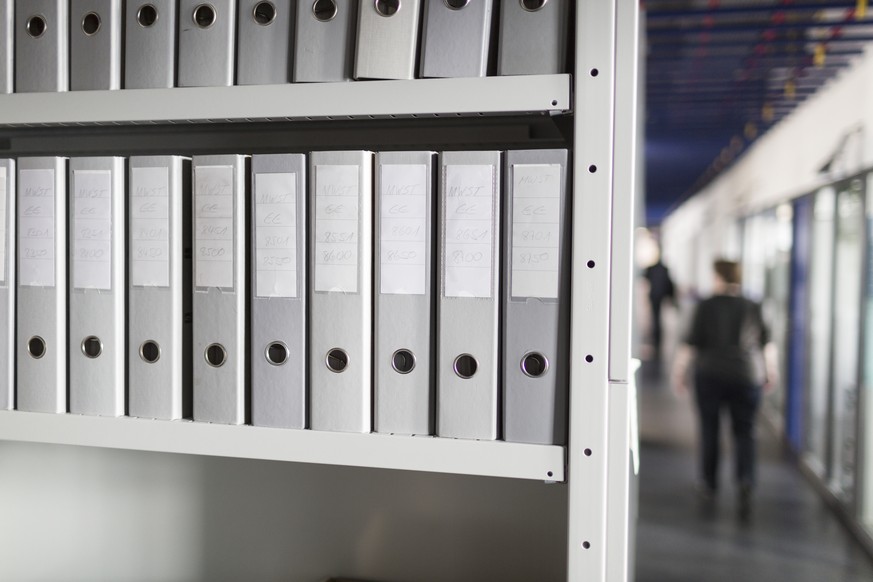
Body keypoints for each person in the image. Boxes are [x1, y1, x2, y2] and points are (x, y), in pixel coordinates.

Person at [671, 259, 779, 520]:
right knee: (745, 431)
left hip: (711, 374)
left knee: (710, 428)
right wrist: (770, 371)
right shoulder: (753, 305)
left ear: (718, 277)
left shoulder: (705, 306)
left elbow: (691, 344)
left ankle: (709, 483)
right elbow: (767, 344)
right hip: (746, 375)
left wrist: (679, 372)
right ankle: (746, 482)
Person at [644, 256, 675, 358]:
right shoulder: (663, 269)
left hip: (655, 297)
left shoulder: (652, 269)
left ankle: (656, 340)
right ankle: (657, 340)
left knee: (655, 318)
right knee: (657, 319)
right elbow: (669, 283)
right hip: (660, 297)